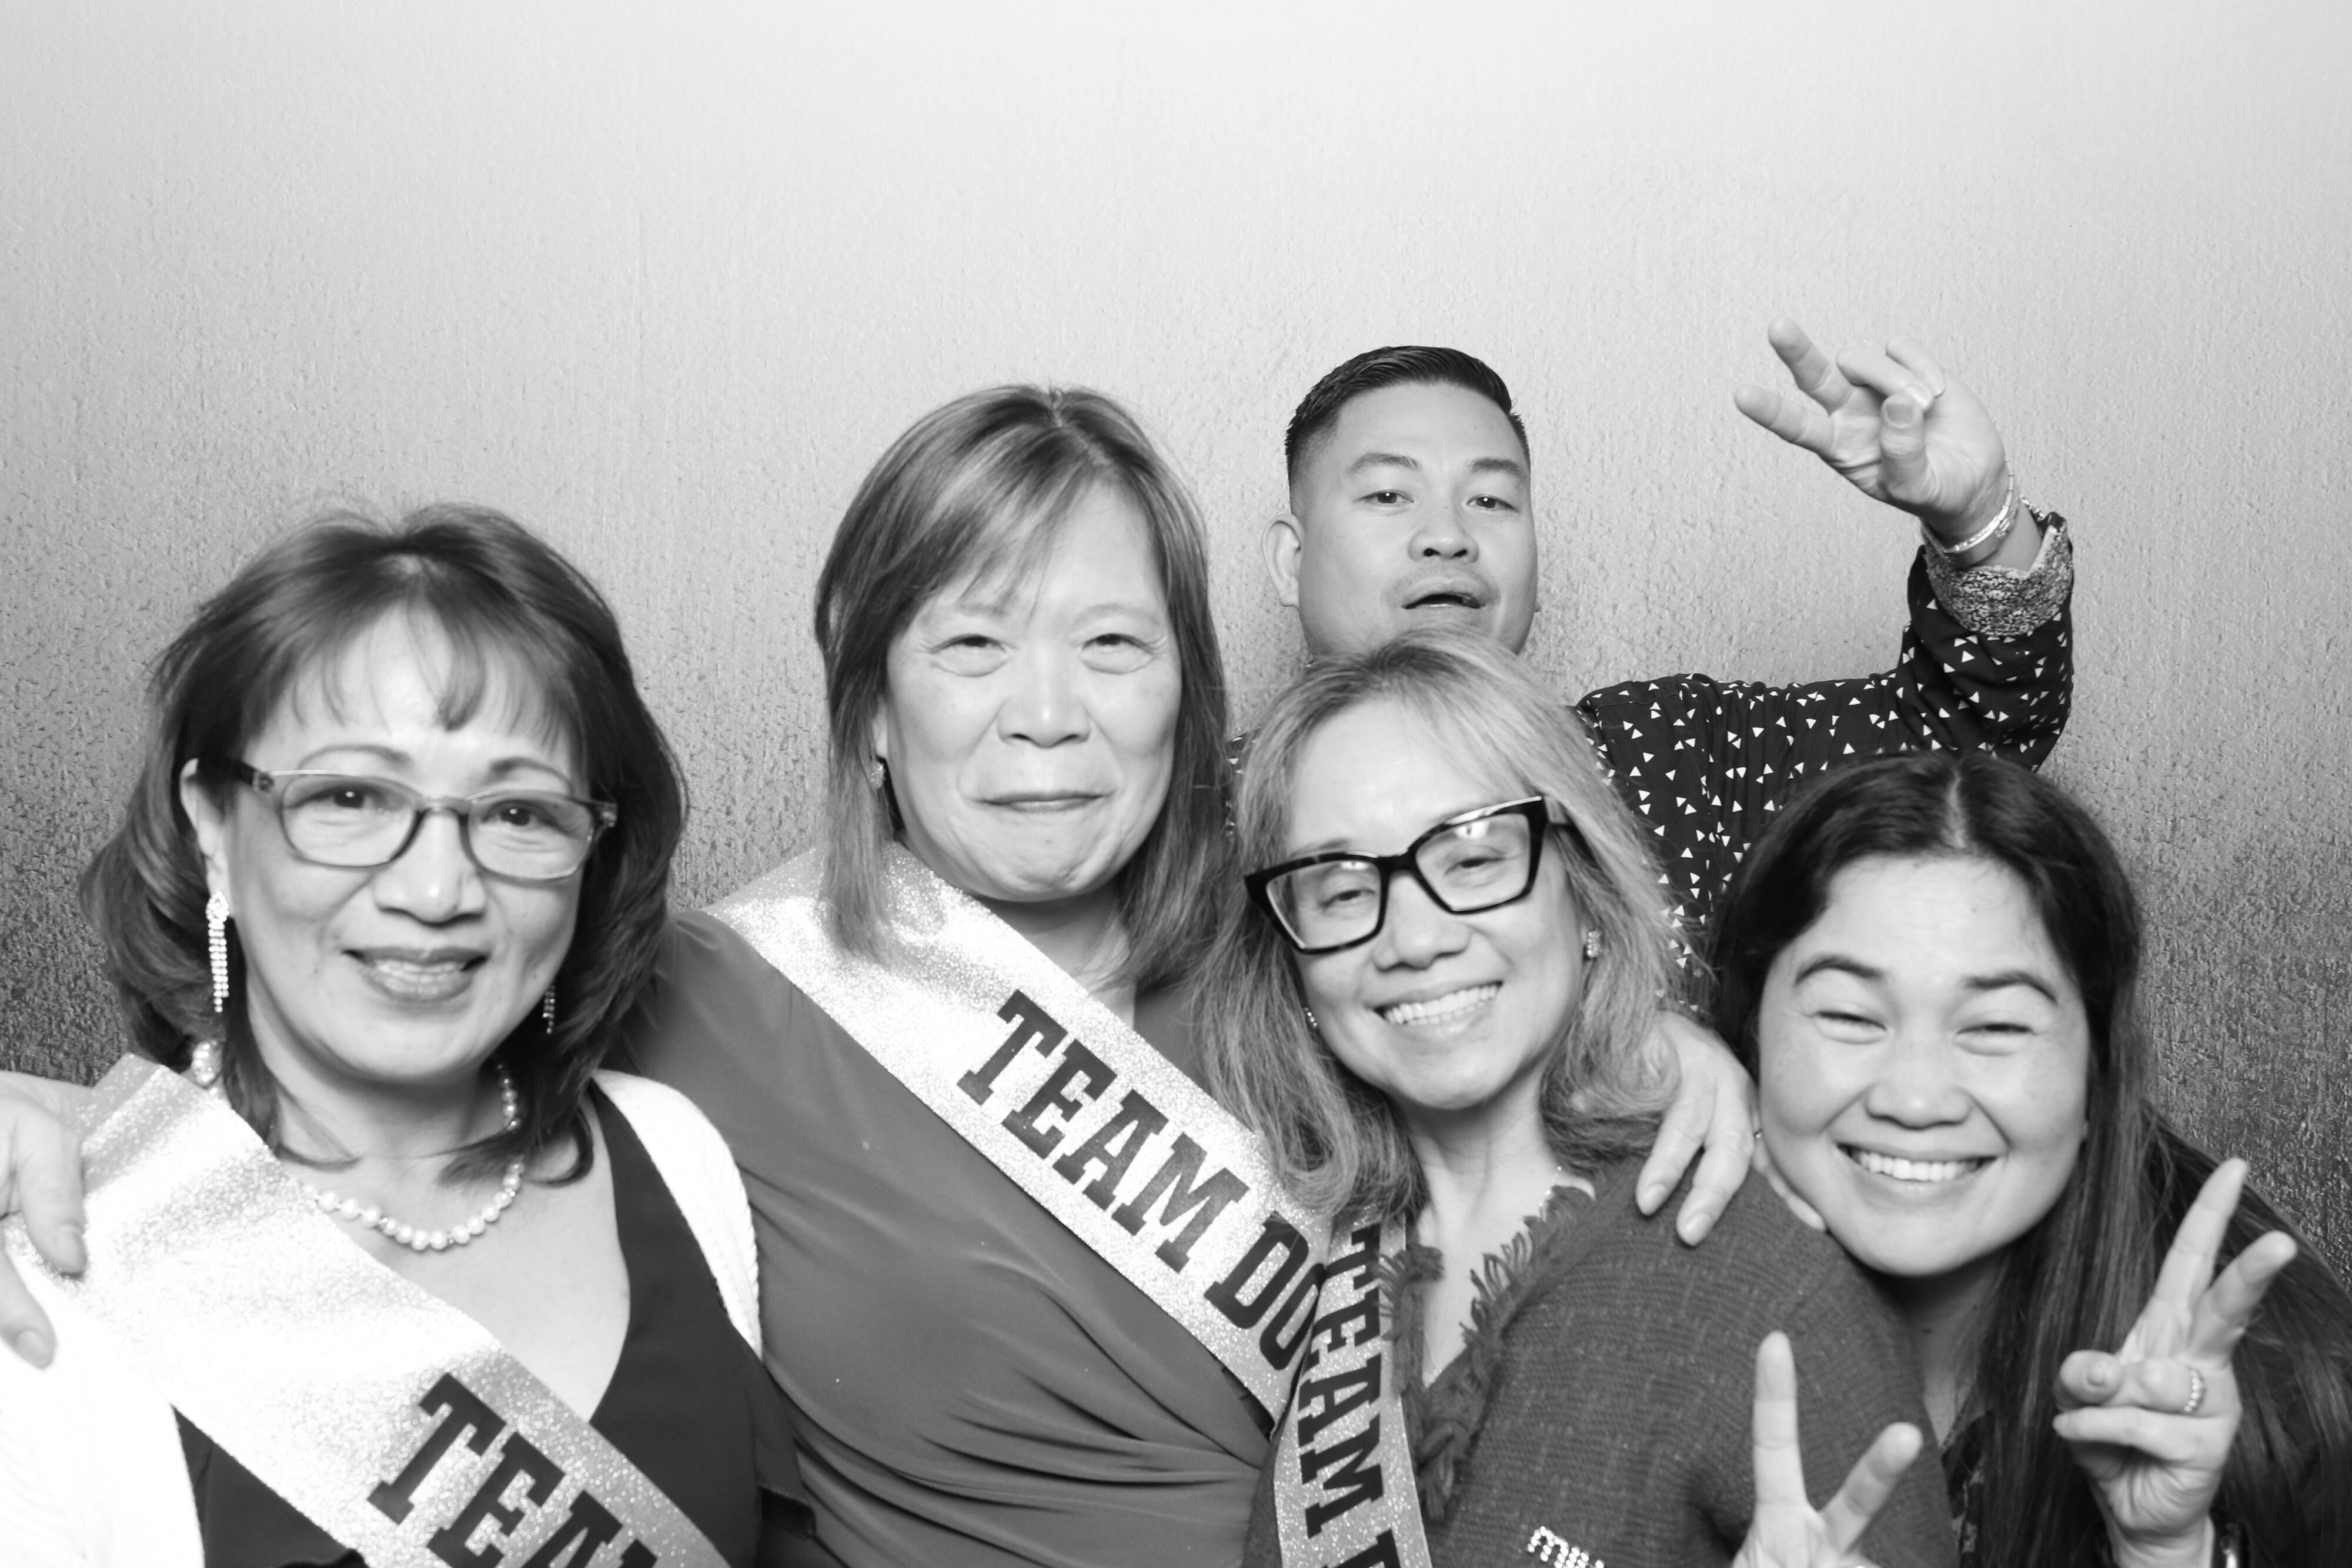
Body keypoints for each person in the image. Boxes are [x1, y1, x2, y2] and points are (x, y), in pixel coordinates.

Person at [0, 389, 1759, 1568]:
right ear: (870, 709)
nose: (1047, 713)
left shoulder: (1312, 947)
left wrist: (1668, 1048)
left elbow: (1503, 1066)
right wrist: (70, 1131)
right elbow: (377, 1071)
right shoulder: (709, 991)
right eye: (971, 642)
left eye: (1115, 643)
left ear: (1187, 689)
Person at [0, 507, 824, 1565]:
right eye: (349, 796)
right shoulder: (67, 1266)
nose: (437, 891)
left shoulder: (673, 1156)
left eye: (519, 813)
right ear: (211, 823)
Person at [1207, 627, 1952, 1567]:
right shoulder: (1275, 1257)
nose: (1416, 939)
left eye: (1474, 859)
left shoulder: (1767, 1286)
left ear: (1587, 895)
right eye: (1342, 890)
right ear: (1293, 957)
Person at [1713, 751, 2352, 1565]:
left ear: (2097, 1074)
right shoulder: (1631, 1311)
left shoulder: (2288, 1403)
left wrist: (2168, 1550)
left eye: (1997, 1027)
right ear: (1749, 1039)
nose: (1917, 1099)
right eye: (1848, 1015)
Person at [1262, 323, 2075, 943]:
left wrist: (1979, 520)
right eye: (1388, 496)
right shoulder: (1210, 817)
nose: (1448, 537)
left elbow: (1965, 732)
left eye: (1491, 501)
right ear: (1290, 562)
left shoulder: (1678, 753)